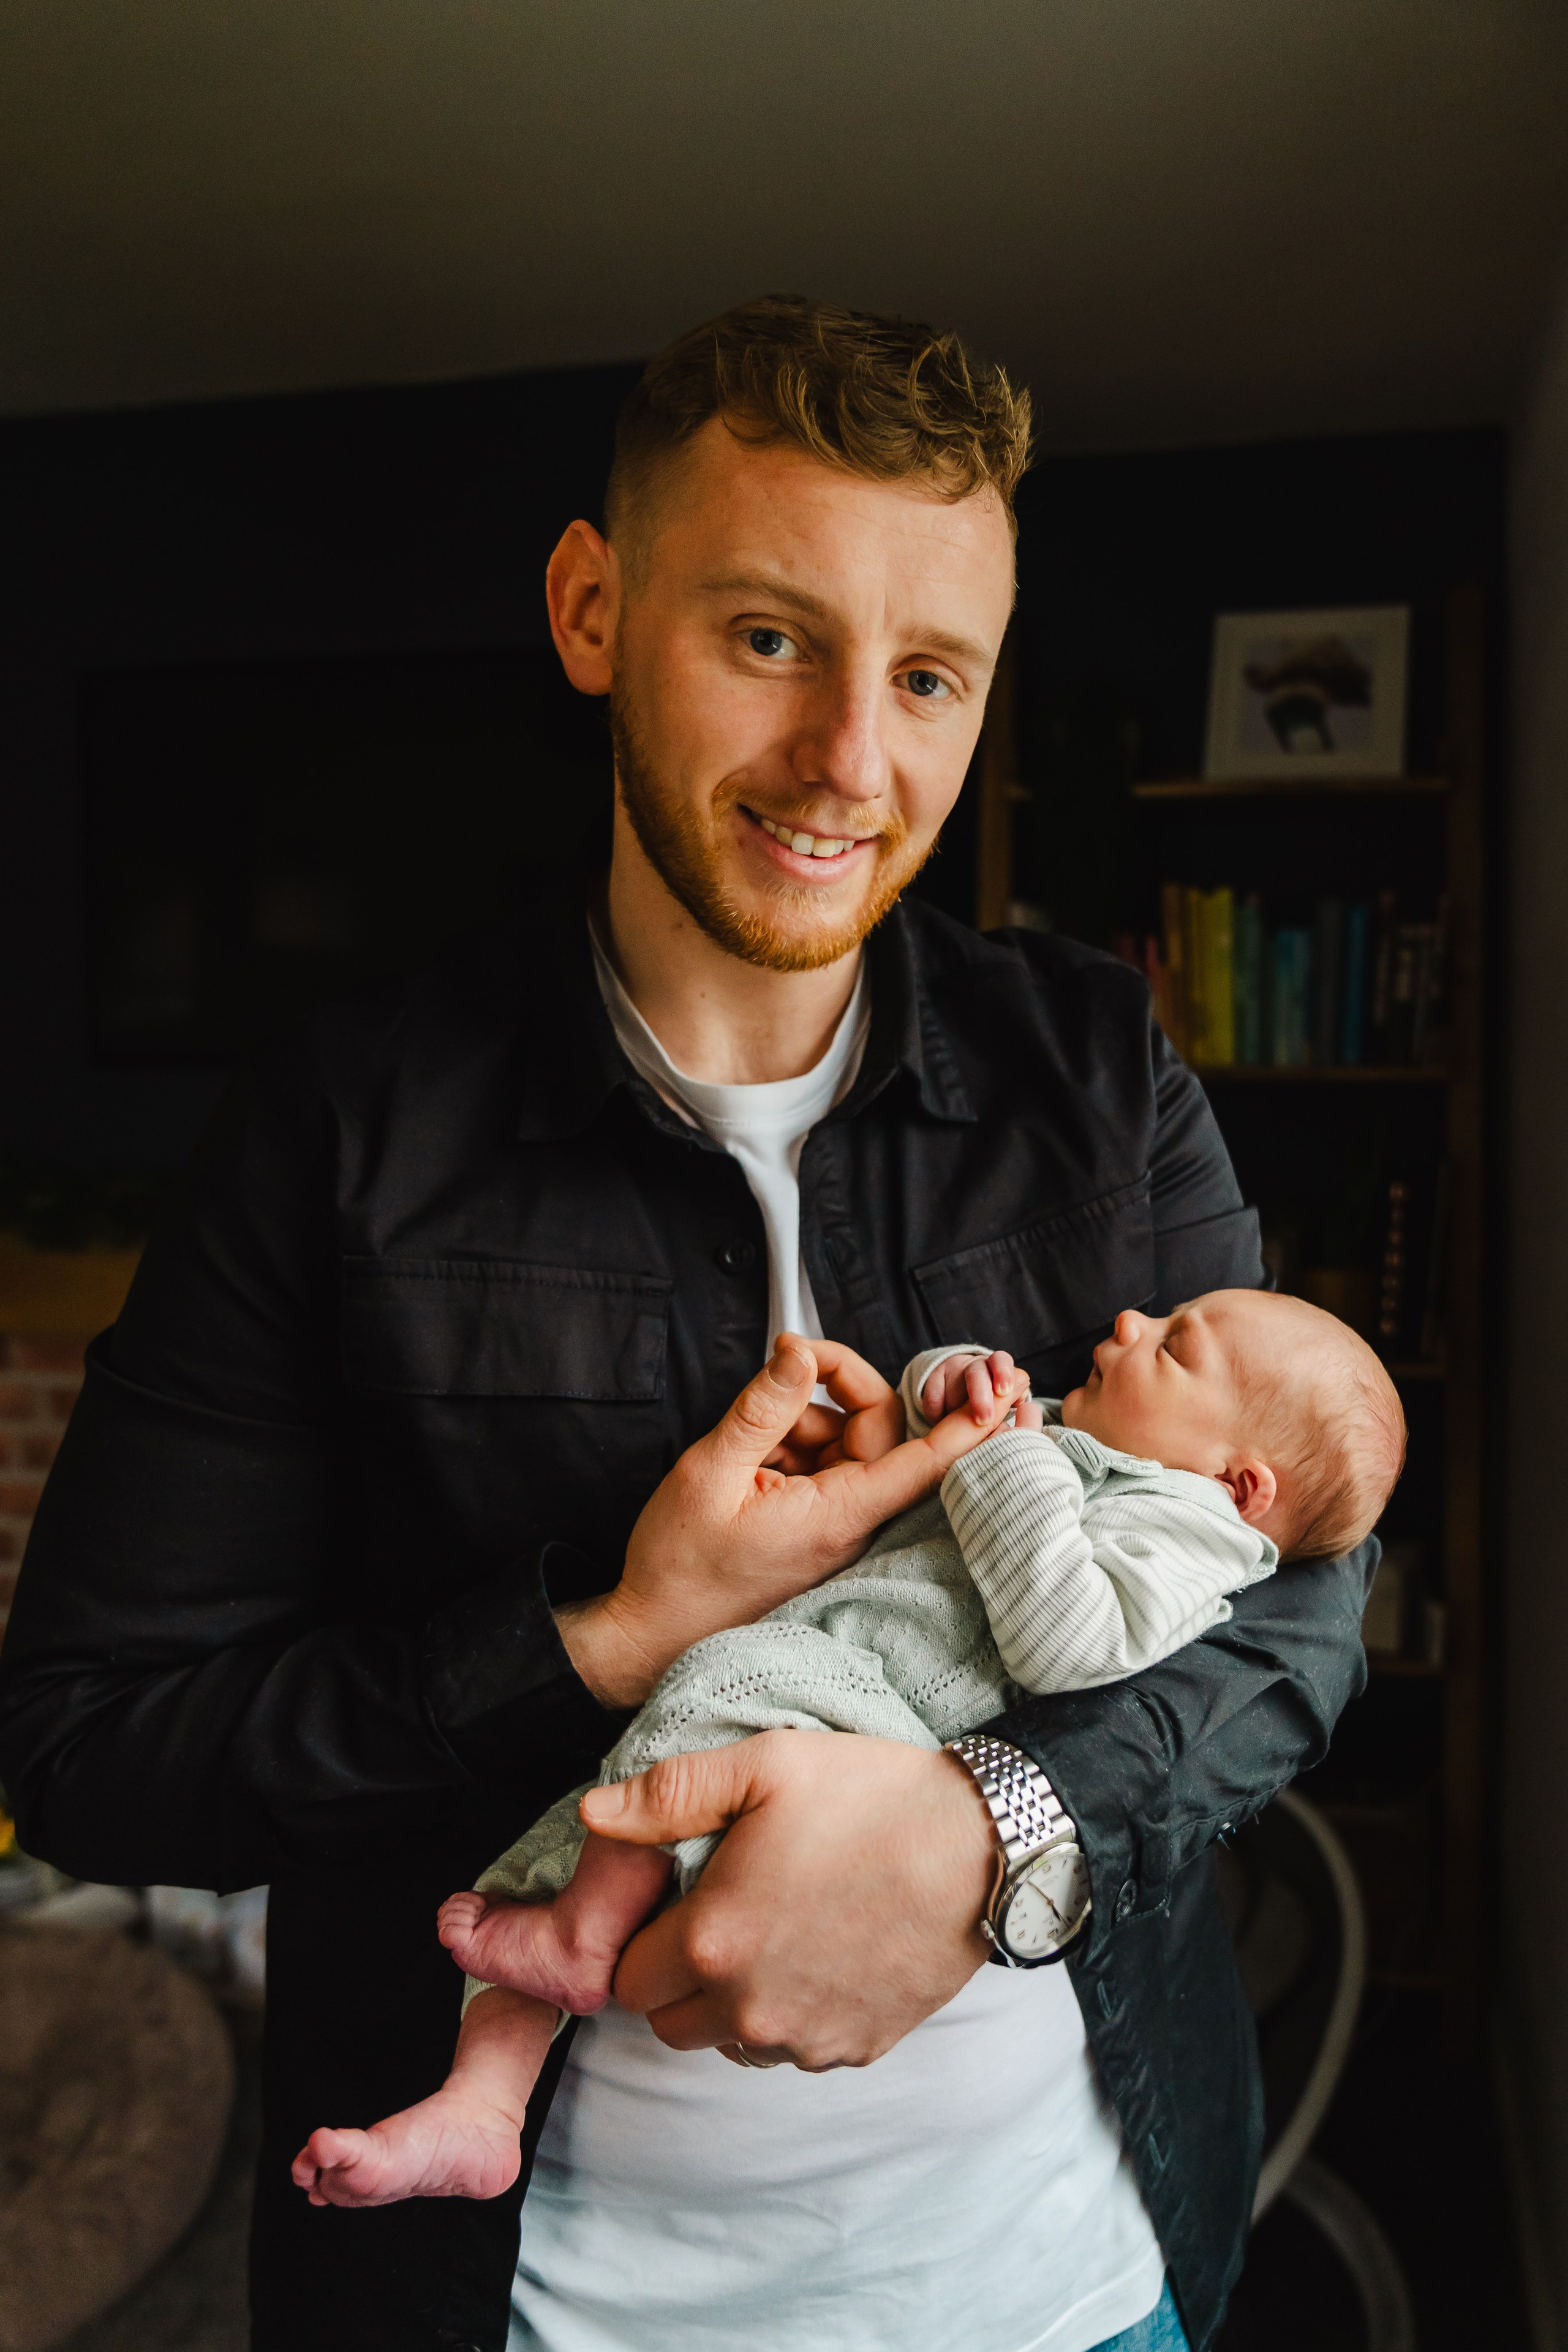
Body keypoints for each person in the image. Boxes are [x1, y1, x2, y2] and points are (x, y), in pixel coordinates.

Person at [0, 295, 1378, 2352]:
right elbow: (92, 1751)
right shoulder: (338, 1128)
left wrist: (985, 1831)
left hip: (1075, 2284)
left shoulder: (1098, 1069)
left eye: (929, 676)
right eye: (767, 638)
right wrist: (603, 1642)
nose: (851, 761)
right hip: (532, 2310)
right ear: (592, 609)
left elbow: (1304, 1599)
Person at [292, 1295, 1404, 2213]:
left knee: (700, 1710)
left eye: (1174, 1347)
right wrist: (953, 1387)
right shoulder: (1088, 1430)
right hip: (821, 1663)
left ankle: (584, 1938)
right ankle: (481, 2108)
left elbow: (1068, 1642)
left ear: (1241, 1485)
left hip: (878, 1727)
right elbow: (939, 1415)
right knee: (551, 1848)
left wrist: (1007, 1451)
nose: (1129, 1321)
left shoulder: (1191, 1539)